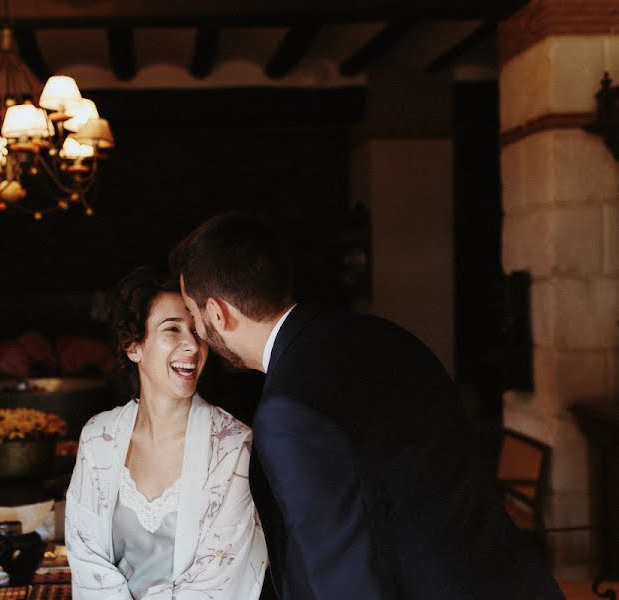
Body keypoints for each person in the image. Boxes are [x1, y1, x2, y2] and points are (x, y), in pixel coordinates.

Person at [170, 212, 564, 600]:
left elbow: (345, 576)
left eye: (194, 313)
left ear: (218, 313)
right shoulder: (385, 335)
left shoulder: (288, 412)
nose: (195, 331)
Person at [65, 267, 267, 599]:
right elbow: (87, 558)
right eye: (171, 329)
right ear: (133, 346)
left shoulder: (232, 446)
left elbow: (217, 580)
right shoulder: (97, 438)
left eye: (196, 330)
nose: (191, 345)